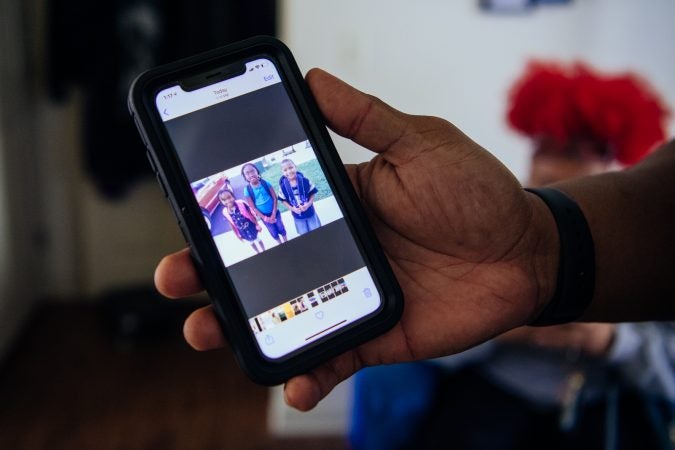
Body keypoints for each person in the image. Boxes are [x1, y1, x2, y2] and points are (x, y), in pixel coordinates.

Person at [154, 68, 675, 412]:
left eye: (579, 149)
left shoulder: (649, 246)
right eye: (545, 145)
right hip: (484, 411)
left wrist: (613, 341)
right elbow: (428, 345)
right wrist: (504, 324)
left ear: (614, 160)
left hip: (602, 416)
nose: (555, 163)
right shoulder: (479, 232)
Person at [241, 163, 288, 245]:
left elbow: (274, 198)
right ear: (245, 177)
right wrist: (264, 218)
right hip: (264, 216)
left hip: (275, 212)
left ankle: (285, 241)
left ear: (257, 172)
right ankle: (280, 243)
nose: (251, 174)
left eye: (252, 171)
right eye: (247, 173)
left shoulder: (266, 183)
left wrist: (273, 213)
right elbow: (253, 207)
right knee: (273, 231)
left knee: (281, 227)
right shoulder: (247, 190)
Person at [278, 158, 321, 235]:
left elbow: (312, 193)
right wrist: (292, 208)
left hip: (310, 212)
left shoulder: (305, 181)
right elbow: (283, 200)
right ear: (282, 172)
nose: (289, 171)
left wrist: (308, 204)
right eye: (285, 170)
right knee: (303, 232)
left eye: (291, 167)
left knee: (315, 229)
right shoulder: (283, 187)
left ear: (295, 167)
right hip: (297, 216)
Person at [218, 189, 265, 254]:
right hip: (242, 232)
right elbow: (231, 224)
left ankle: (264, 250)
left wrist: (257, 224)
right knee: (251, 243)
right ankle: (258, 252)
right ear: (221, 201)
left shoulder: (241, 203)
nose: (228, 201)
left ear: (233, 196)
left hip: (251, 227)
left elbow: (251, 214)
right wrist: (237, 235)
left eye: (229, 197)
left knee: (258, 239)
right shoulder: (225, 212)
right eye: (224, 200)